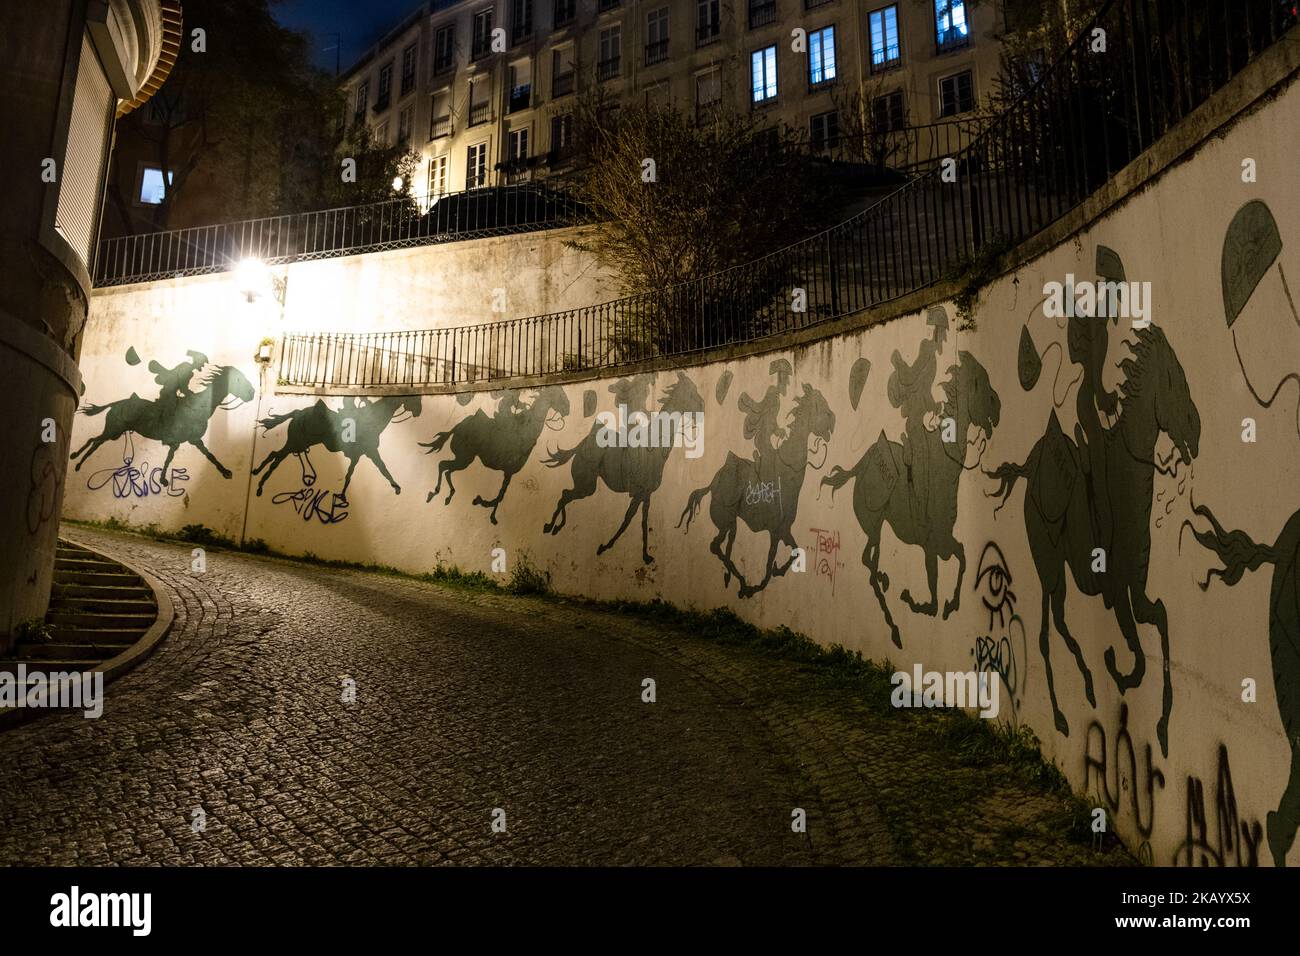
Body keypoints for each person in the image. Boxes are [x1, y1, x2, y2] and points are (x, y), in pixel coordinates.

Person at [887, 307, 948, 528]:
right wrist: (898, 362)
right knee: (922, 458)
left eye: (940, 330)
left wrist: (936, 406)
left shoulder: (930, 351)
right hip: (915, 415)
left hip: (924, 411)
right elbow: (910, 378)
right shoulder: (926, 348)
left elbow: (924, 388)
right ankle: (920, 510)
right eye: (938, 330)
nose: (939, 334)